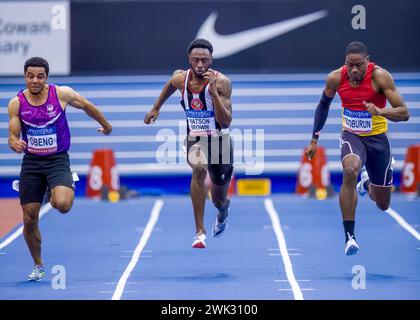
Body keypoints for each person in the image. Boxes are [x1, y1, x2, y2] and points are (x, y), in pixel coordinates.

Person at [7, 57, 112, 280]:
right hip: (32, 163)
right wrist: (14, 142)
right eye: (30, 76)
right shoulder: (16, 103)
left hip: (57, 160)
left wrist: (105, 124)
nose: (35, 80)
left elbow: (87, 106)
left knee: (63, 205)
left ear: (46, 77)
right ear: (25, 76)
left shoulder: (61, 94)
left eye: (40, 76)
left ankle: (53, 191)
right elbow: (13, 135)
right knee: (29, 218)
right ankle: (38, 265)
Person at [306, 42, 409, 255]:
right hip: (352, 136)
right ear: (345, 63)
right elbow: (323, 105)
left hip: (378, 139)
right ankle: (349, 236)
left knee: (382, 204)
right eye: (350, 65)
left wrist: (380, 112)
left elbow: (403, 112)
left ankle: (367, 182)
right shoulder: (336, 78)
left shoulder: (380, 77)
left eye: (359, 65)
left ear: (367, 61)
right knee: (350, 170)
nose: (354, 70)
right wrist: (314, 139)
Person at [144, 39, 233, 249]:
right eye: (196, 60)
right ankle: (199, 232)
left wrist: (213, 94)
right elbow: (169, 85)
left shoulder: (222, 83)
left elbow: (226, 121)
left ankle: (223, 212)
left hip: (220, 141)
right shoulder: (181, 79)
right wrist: (156, 108)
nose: (200, 65)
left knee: (219, 200)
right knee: (199, 169)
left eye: (204, 60)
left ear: (211, 60)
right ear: (189, 60)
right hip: (195, 138)